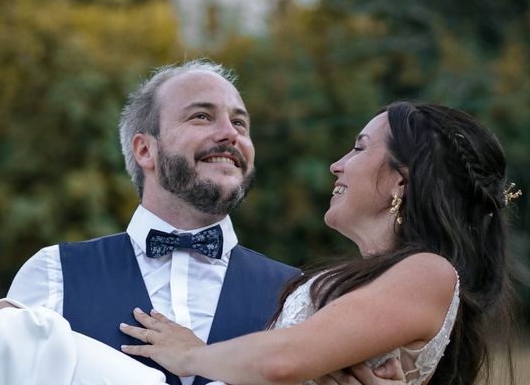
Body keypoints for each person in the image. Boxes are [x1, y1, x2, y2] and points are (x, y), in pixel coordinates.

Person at [0, 60, 403, 385]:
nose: (230, 134)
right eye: (202, 116)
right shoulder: (55, 272)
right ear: (145, 149)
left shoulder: (303, 297)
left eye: (240, 123)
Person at [118, 102, 517, 384]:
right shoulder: (386, 282)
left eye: (359, 147)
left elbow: (283, 361)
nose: (337, 164)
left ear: (401, 179)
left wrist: (190, 355)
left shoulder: (429, 272)